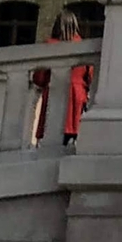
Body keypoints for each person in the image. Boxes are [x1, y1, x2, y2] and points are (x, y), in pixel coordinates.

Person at [33, 9, 94, 147]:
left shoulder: (49, 46)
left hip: (54, 93)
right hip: (76, 95)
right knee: (72, 136)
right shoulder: (82, 46)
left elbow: (39, 78)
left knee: (50, 137)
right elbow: (90, 76)